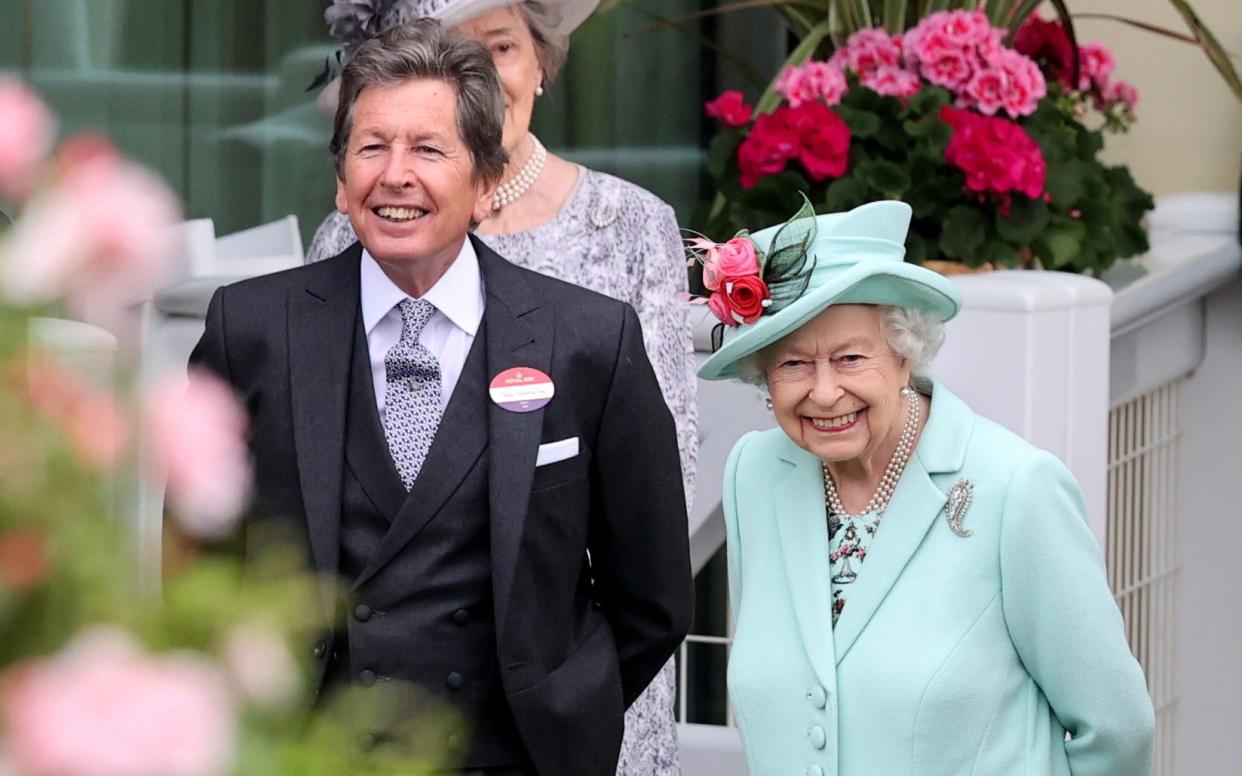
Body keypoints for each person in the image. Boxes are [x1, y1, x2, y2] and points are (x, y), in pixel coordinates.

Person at [190, 20, 692, 775]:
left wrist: (566, 707)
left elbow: (652, 596)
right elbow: (195, 561)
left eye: (428, 149)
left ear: (486, 184)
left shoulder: (588, 339)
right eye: (371, 147)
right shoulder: (251, 329)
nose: (395, 175)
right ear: (338, 177)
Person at [695, 198, 1155, 776]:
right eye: (793, 364)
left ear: (905, 352)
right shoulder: (755, 475)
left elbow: (1117, 728)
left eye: (851, 358)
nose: (824, 392)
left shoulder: (1015, 489)